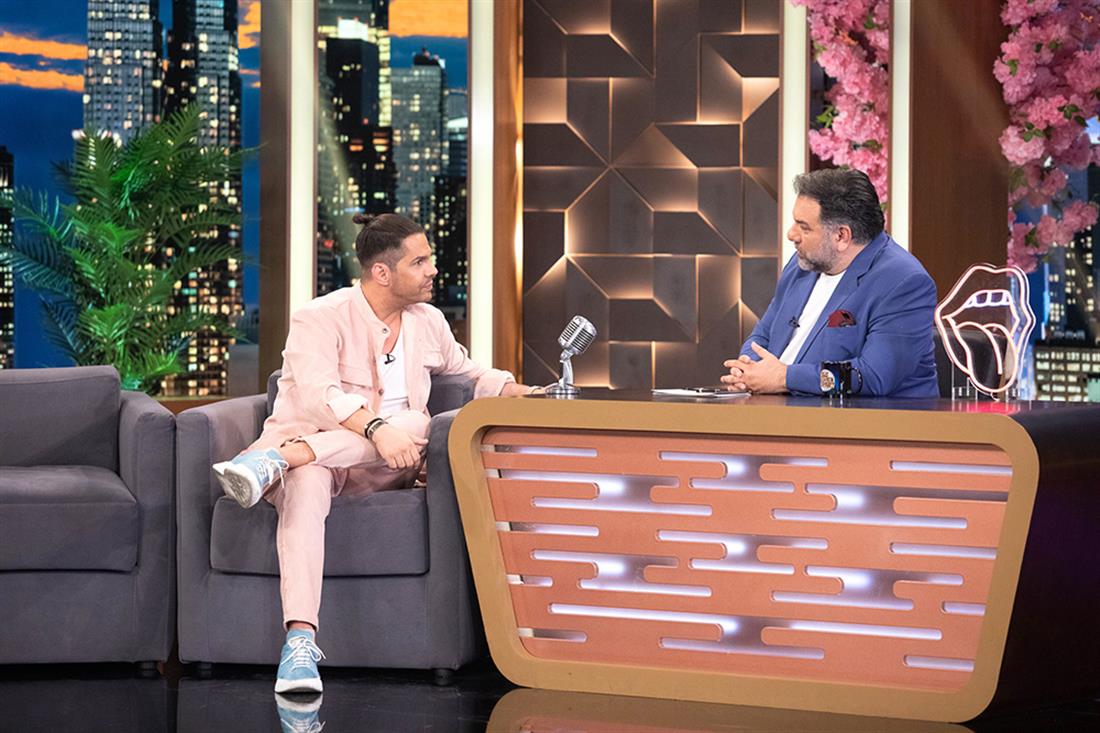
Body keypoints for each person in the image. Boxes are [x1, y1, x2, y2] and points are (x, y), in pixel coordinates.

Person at [212, 213, 539, 695]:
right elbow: (318, 397)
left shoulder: (428, 322)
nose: (433, 270)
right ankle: (300, 643)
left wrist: (520, 390)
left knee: (416, 423)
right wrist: (376, 428)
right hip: (323, 454)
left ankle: (278, 459)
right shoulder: (319, 318)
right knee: (309, 479)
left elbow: (469, 373)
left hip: (382, 468)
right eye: (419, 262)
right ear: (382, 272)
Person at [723, 168, 938, 397]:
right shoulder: (801, 265)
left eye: (804, 227)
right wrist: (749, 370)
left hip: (864, 417)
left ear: (841, 236)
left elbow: (872, 377)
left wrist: (785, 378)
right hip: (782, 408)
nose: (791, 234)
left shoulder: (904, 282)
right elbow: (763, 335)